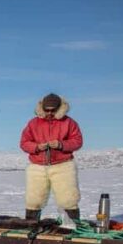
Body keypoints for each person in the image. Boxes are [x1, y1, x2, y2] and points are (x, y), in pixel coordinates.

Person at [19, 93, 83, 221]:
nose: (49, 113)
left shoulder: (69, 123)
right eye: (46, 110)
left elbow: (77, 141)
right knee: (33, 200)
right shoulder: (33, 123)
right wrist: (36, 147)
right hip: (37, 166)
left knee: (68, 199)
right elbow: (24, 143)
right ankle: (31, 226)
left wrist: (61, 145)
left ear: (59, 108)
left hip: (63, 165)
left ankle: (71, 227)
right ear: (42, 108)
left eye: (52, 110)